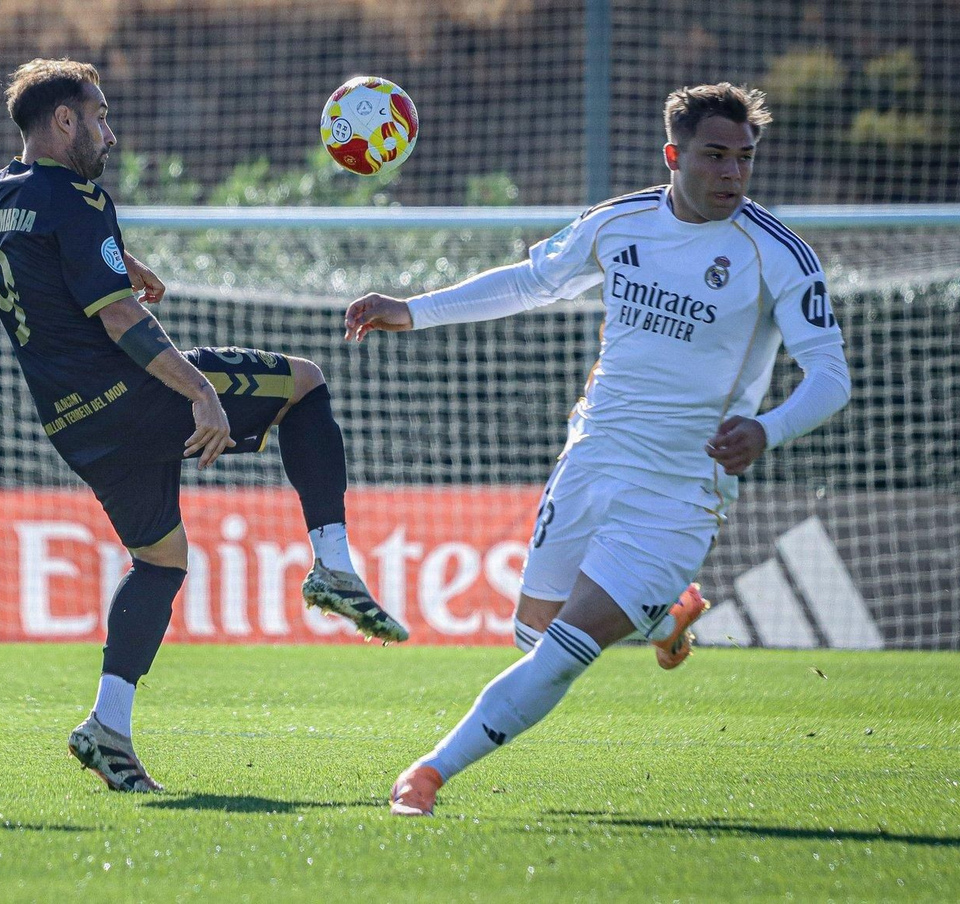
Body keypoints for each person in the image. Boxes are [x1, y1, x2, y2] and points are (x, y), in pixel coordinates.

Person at [345, 84, 851, 817]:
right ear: (674, 156)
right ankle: (664, 618)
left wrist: (767, 429)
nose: (733, 173)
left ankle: (427, 774)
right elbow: (531, 282)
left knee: (559, 656)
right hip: (591, 456)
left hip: (682, 489)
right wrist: (412, 310)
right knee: (532, 633)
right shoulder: (619, 223)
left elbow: (831, 376)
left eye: (744, 158)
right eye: (715, 156)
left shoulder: (777, 254)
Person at [0, 58, 407, 793]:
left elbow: (48, 248)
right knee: (306, 384)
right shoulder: (79, 198)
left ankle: (108, 727)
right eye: (99, 116)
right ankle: (334, 564)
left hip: (73, 424)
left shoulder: (0, 193)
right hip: (136, 395)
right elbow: (120, 318)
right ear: (64, 120)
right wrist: (200, 392)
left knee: (162, 562)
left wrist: (119, 258)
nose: (109, 133)